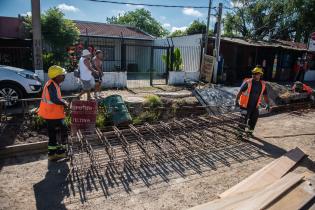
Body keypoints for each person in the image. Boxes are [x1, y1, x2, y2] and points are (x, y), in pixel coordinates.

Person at [37, 65, 69, 161]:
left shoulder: (52, 84)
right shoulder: (52, 85)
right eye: (63, 75)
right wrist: (65, 103)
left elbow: (56, 98)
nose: (64, 76)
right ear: (57, 76)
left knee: (53, 134)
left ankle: (52, 153)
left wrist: (63, 101)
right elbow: (54, 99)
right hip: (52, 114)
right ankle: (61, 152)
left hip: (50, 113)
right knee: (63, 130)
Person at [235, 66, 270, 134]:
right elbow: (240, 92)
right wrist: (236, 101)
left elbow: (265, 95)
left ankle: (249, 132)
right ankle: (239, 133)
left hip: (255, 106)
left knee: (254, 119)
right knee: (243, 120)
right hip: (245, 106)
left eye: (256, 73)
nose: (254, 75)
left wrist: (267, 104)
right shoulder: (248, 82)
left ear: (260, 75)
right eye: (253, 73)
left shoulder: (263, 84)